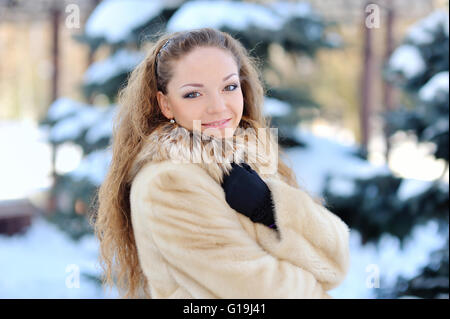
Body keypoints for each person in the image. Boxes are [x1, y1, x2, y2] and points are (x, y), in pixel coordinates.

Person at [92, 27, 350, 299]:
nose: (217, 106)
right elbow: (263, 293)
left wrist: (270, 209)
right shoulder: (168, 183)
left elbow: (335, 262)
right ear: (166, 104)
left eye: (229, 87)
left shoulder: (247, 162)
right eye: (193, 93)